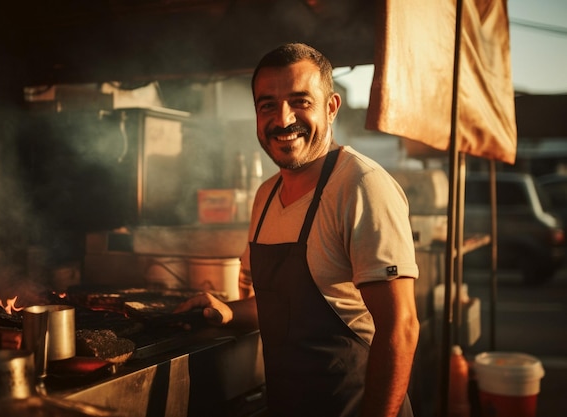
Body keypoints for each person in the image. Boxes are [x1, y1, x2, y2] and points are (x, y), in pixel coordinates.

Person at [174, 42, 420, 417]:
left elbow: (400, 327)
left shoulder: (360, 185)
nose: (283, 119)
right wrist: (229, 311)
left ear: (331, 107)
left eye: (300, 101)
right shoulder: (265, 195)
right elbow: (286, 307)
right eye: (267, 105)